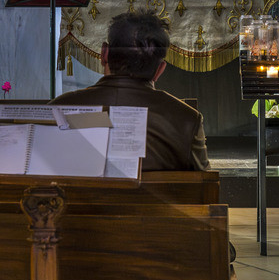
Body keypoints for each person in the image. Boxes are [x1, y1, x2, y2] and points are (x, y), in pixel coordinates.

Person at [52, 10, 210, 171]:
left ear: (104, 53)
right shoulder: (187, 119)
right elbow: (205, 185)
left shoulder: (58, 109)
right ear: (160, 70)